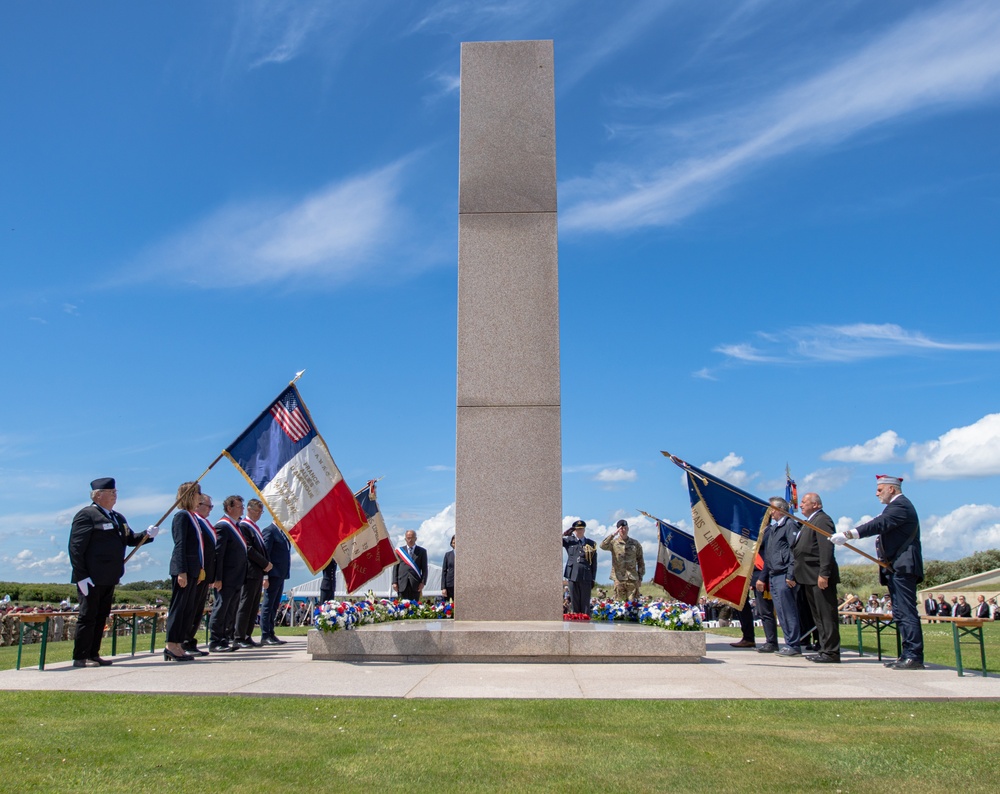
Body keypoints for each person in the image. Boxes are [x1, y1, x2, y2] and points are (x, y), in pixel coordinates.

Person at [832, 474, 925, 670]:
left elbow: (878, 524)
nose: (876, 494)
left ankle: (914, 655)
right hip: (895, 567)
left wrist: (849, 535)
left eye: (880, 489)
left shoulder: (901, 506)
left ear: (892, 489)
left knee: (906, 612)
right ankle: (907, 653)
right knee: (899, 611)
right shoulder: (895, 507)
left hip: (903, 566)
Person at [68, 477, 157, 668]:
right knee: (88, 615)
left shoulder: (118, 518)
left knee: (101, 616)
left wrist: (147, 535)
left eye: (115, 492)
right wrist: (81, 575)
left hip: (110, 576)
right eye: (111, 492)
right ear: (98, 495)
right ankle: (80, 655)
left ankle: (93, 653)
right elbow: (76, 548)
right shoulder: (87, 515)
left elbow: (130, 538)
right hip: (91, 577)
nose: (115, 495)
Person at [792, 492, 841, 663]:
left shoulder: (822, 520)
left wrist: (824, 573)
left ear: (816, 504)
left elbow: (826, 548)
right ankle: (824, 648)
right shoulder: (809, 522)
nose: (801, 505)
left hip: (818, 575)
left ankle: (832, 652)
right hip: (808, 576)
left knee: (826, 615)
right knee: (818, 616)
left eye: (805, 502)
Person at [164, 481, 203, 662]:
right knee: (178, 608)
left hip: (194, 569)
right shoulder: (182, 516)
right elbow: (180, 544)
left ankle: (179, 643)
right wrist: (181, 571)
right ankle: (171, 644)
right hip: (184, 569)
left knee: (187, 609)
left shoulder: (192, 517)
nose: (200, 497)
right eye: (197, 493)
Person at [759, 497, 801, 657]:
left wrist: (791, 574)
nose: (771, 512)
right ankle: (789, 642)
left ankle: (794, 644)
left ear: (781, 509)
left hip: (784, 574)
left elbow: (794, 551)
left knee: (788, 610)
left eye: (773, 509)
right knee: (781, 612)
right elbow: (769, 554)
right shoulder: (774, 528)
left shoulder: (789, 525)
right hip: (773, 574)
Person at [209, 495, 248, 652]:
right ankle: (215, 640)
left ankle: (225, 638)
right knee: (221, 608)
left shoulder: (236, 526)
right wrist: (217, 577)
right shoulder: (223, 526)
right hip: (226, 576)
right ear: (229, 508)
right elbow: (218, 554)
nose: (242, 509)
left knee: (231, 610)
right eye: (239, 506)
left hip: (237, 576)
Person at [234, 499, 273, 648]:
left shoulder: (255, 528)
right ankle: (239, 636)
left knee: (253, 606)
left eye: (261, 512)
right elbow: (249, 549)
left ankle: (247, 634)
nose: (259, 514)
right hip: (249, 571)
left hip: (257, 572)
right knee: (245, 604)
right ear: (249, 510)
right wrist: (264, 563)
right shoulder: (245, 526)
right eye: (256, 511)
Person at [183, 492, 217, 656]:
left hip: (205, 573)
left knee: (197, 610)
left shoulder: (205, 523)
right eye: (208, 506)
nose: (210, 509)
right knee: (190, 609)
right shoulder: (195, 521)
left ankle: (190, 640)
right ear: (198, 505)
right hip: (196, 572)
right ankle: (184, 641)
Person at [260, 519, 292, 645]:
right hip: (272, 574)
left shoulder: (282, 533)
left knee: (274, 605)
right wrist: (265, 576)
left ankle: (271, 632)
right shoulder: (270, 531)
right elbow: (266, 553)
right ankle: (265, 634)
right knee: (268, 604)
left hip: (281, 574)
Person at [600, 519, 645, 602]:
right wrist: (613, 534)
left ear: (628, 529)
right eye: (621, 528)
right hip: (619, 578)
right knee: (619, 604)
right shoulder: (613, 543)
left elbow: (640, 561)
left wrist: (640, 577)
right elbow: (602, 546)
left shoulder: (635, 543)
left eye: (625, 528)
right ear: (618, 529)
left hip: (632, 578)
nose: (623, 530)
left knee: (633, 604)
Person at [562, 520, 597, 615]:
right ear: (574, 530)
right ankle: (575, 621)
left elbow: (594, 563)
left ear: (584, 530)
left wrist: (593, 578)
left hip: (586, 575)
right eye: (577, 529)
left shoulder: (591, 543)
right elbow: (554, 541)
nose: (579, 531)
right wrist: (564, 534)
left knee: (585, 602)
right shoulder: (569, 541)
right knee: (574, 600)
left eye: (581, 529)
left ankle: (585, 621)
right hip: (572, 574)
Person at [392, 530, 428, 601]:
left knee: (414, 607)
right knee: (401, 607)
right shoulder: (399, 551)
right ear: (405, 539)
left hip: (415, 584)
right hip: (401, 584)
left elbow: (424, 569)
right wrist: (394, 582)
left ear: (416, 539)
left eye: (412, 538)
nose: (410, 540)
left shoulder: (422, 551)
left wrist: (423, 582)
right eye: (408, 538)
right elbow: (395, 568)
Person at [441, 535, 456, 602]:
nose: (455, 544)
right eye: (453, 543)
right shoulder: (448, 555)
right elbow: (444, 571)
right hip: (450, 584)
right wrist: (443, 587)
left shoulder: (465, 555)